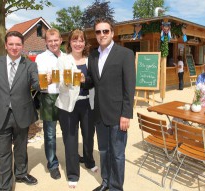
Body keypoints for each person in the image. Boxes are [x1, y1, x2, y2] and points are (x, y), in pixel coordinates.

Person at [0, 31, 40, 190]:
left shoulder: (30, 65)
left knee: (21, 148)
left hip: (22, 114)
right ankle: (5, 186)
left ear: (22, 46)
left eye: (18, 44)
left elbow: (37, 84)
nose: (14, 47)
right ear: (6, 45)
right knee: (2, 153)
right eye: (11, 44)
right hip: (0, 115)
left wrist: (49, 82)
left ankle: (21, 174)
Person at [83, 18, 136, 191]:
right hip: (99, 114)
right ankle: (106, 182)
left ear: (112, 33)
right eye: (98, 32)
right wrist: (84, 80)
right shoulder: (92, 55)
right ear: (95, 35)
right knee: (104, 152)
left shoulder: (125, 54)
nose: (102, 34)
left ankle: (116, 187)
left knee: (118, 155)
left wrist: (126, 114)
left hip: (118, 114)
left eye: (106, 31)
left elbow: (129, 87)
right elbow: (93, 82)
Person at [55, 29, 97, 189]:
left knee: (88, 137)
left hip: (87, 104)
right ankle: (73, 174)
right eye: (75, 40)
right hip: (68, 106)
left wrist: (84, 79)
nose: (78, 43)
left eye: (81, 40)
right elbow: (59, 82)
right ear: (69, 42)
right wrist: (65, 83)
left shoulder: (90, 59)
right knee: (71, 140)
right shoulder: (63, 60)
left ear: (85, 43)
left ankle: (89, 161)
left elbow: (94, 81)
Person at [35, 28, 64, 180]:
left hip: (65, 97)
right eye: (50, 41)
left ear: (61, 40)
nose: (53, 43)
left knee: (69, 131)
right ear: (46, 42)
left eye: (56, 40)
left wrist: (53, 75)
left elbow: (72, 79)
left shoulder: (67, 57)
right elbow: (43, 82)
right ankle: (52, 163)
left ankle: (71, 158)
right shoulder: (41, 57)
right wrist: (59, 75)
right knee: (51, 134)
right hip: (48, 98)